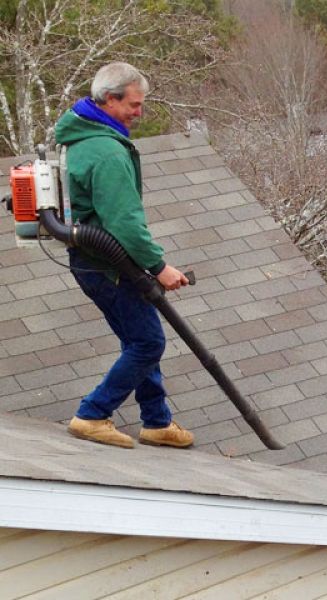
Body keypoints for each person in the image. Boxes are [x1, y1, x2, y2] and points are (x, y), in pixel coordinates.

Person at [54, 62, 193, 449]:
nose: (139, 112)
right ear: (110, 99)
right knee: (149, 343)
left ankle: (157, 421)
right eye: (133, 104)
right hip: (108, 267)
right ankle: (92, 414)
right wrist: (160, 267)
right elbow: (125, 224)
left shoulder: (81, 136)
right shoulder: (107, 153)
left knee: (139, 338)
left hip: (92, 262)